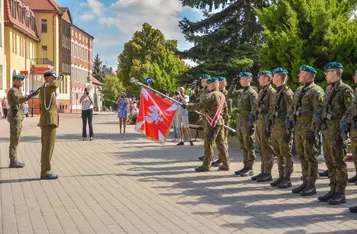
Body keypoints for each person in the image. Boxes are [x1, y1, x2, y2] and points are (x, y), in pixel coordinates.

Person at [317, 62, 353, 205]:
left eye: (328, 72)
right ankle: (332, 188)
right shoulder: (328, 89)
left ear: (335, 73)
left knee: (339, 162)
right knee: (329, 161)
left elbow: (350, 110)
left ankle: (340, 192)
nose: (325, 74)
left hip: (337, 130)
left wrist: (344, 126)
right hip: (327, 130)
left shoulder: (346, 90)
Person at [290, 65, 324, 196]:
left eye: (301, 73)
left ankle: (311, 184)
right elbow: (293, 108)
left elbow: (318, 112)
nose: (298, 75)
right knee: (301, 155)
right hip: (298, 126)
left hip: (308, 127)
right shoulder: (299, 90)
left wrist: (313, 130)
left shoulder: (316, 91)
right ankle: (305, 181)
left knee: (310, 156)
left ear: (308, 75)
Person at [186, 77, 230, 171]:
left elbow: (200, 105)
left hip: (212, 123)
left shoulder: (211, 95)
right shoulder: (222, 95)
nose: (208, 87)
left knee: (209, 143)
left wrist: (187, 106)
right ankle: (226, 164)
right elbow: (226, 111)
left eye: (209, 84)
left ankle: (206, 165)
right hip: (220, 122)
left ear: (214, 84)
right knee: (221, 143)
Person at [266, 68, 294, 188]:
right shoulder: (276, 92)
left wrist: (289, 130)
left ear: (278, 77)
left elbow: (291, 112)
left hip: (283, 128)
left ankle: (287, 178)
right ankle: (281, 176)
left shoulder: (287, 93)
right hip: (275, 127)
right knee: (277, 153)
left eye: (274, 75)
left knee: (286, 154)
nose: (272, 77)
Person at [228, 72, 258, 177]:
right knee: (242, 143)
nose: (240, 80)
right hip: (240, 118)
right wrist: (233, 84)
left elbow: (255, 109)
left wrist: (251, 122)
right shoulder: (241, 92)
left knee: (249, 144)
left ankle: (250, 167)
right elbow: (229, 95)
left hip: (247, 120)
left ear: (249, 79)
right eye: (240, 79)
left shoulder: (252, 93)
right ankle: (245, 165)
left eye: (242, 79)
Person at [7, 74, 39, 168]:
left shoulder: (17, 90)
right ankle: (13, 161)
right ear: (14, 81)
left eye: (22, 80)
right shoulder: (13, 91)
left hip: (18, 117)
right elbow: (20, 99)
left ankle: (14, 159)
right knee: (14, 139)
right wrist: (31, 95)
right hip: (15, 118)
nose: (22, 82)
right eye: (20, 80)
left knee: (16, 139)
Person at [252, 71, 276, 182]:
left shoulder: (271, 92)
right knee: (261, 148)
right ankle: (263, 171)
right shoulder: (262, 91)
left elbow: (272, 109)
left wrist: (268, 124)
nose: (258, 79)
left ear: (267, 78)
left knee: (267, 148)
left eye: (260, 77)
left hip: (265, 123)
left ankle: (268, 173)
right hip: (258, 122)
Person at [38, 71, 59, 179]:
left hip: (47, 120)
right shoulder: (47, 87)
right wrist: (60, 78)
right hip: (49, 121)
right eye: (53, 77)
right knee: (48, 148)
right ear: (48, 78)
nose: (55, 79)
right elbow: (56, 85)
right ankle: (45, 172)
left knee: (46, 147)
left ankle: (45, 170)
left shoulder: (45, 87)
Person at [211, 76, 232, 167]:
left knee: (223, 141)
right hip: (218, 120)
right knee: (219, 141)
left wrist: (226, 120)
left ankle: (224, 159)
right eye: (218, 82)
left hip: (224, 120)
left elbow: (228, 109)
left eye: (221, 82)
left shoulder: (227, 93)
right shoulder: (217, 93)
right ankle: (221, 158)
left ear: (225, 83)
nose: (219, 83)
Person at [190, 74, 211, 161]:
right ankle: (207, 154)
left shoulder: (210, 91)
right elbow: (196, 95)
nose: (202, 83)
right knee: (206, 137)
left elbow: (201, 104)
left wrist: (189, 106)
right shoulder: (203, 90)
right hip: (204, 116)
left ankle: (209, 156)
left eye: (203, 81)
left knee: (209, 138)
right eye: (201, 81)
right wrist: (196, 86)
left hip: (209, 117)